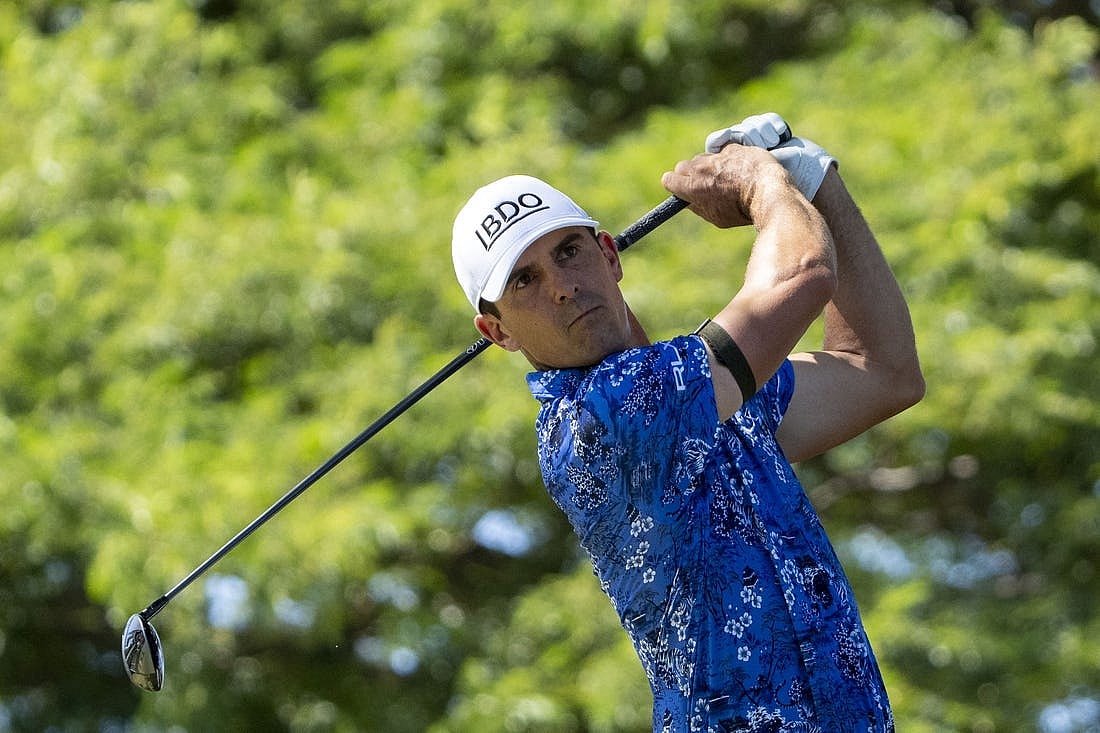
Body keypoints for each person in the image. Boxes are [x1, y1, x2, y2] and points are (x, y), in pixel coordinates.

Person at [450, 113, 924, 732]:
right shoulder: (602, 417)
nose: (562, 286)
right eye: (525, 280)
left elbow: (881, 370)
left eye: (568, 251)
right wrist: (764, 184)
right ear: (498, 332)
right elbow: (803, 273)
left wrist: (815, 180)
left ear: (609, 254)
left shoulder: (703, 392)